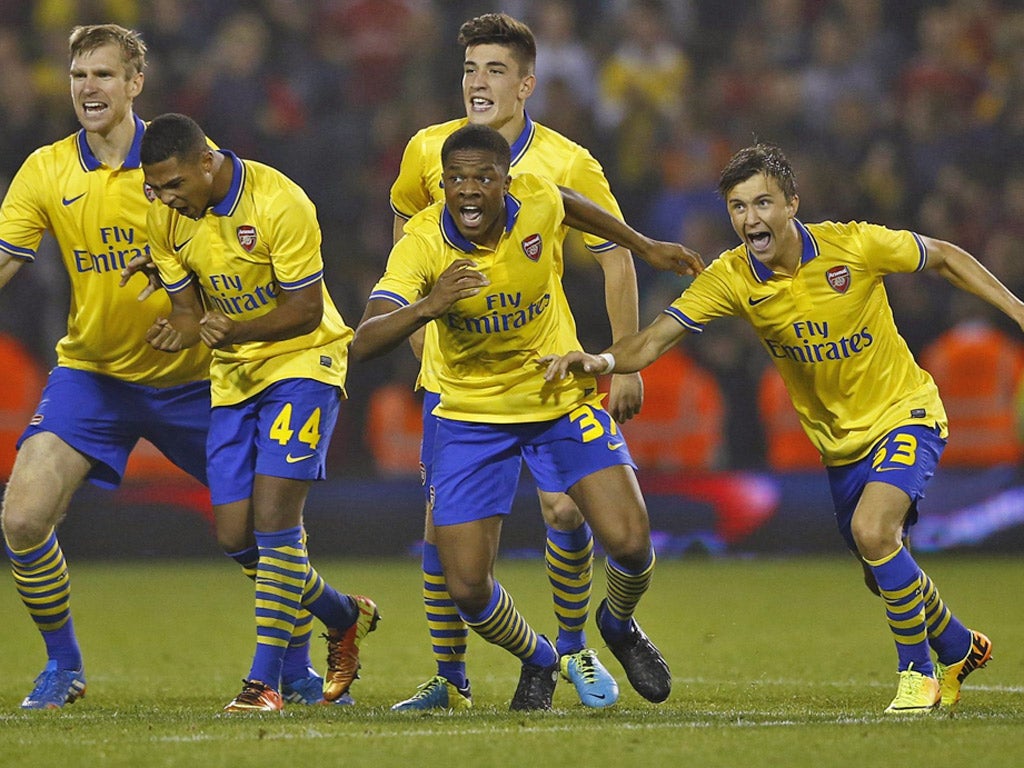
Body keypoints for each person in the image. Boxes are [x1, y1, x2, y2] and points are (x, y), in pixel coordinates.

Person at [543, 142, 1010, 714]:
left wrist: (1016, 311)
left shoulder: (853, 244)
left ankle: (917, 676)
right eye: (738, 208)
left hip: (906, 412)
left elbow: (944, 256)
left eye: (762, 202)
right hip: (840, 446)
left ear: (792, 203)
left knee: (872, 531)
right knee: (882, 569)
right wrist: (604, 362)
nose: (750, 218)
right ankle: (960, 645)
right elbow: (655, 339)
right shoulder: (733, 277)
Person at [0, 24, 342, 711]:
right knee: (22, 518)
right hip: (93, 375)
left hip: (197, 380)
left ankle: (312, 644)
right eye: (77, 76)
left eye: (102, 75)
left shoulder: (182, 162)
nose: (88, 89)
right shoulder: (45, 170)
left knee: (251, 535)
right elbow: (7, 259)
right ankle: (63, 665)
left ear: (134, 83)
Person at [352, 123, 701, 710]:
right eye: (456, 179)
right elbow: (364, 339)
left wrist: (643, 246)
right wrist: (430, 304)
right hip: (470, 415)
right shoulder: (422, 243)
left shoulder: (537, 199)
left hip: (556, 394)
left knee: (633, 543)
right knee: (466, 586)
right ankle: (542, 657)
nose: (468, 191)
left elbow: (568, 203)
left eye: (483, 178)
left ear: (506, 182)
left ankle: (615, 624)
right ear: (442, 188)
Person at [388, 11, 648, 712]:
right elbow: (407, 241)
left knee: (567, 513)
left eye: (495, 69)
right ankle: (451, 677)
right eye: (470, 68)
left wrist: (623, 360)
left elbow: (615, 255)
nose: (478, 82)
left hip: (549, 375)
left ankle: (573, 649)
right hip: (462, 386)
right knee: (442, 536)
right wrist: (421, 339)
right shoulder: (429, 150)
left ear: (527, 83)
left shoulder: (565, 163)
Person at [139, 112, 379, 713]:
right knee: (235, 537)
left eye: (174, 186)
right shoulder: (167, 217)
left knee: (275, 523)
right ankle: (342, 614)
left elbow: (303, 309)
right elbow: (189, 309)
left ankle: (264, 682)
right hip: (235, 378)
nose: (166, 199)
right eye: (156, 188)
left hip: (304, 363)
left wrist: (236, 328)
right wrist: (178, 330)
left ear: (206, 161)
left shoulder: (279, 202)